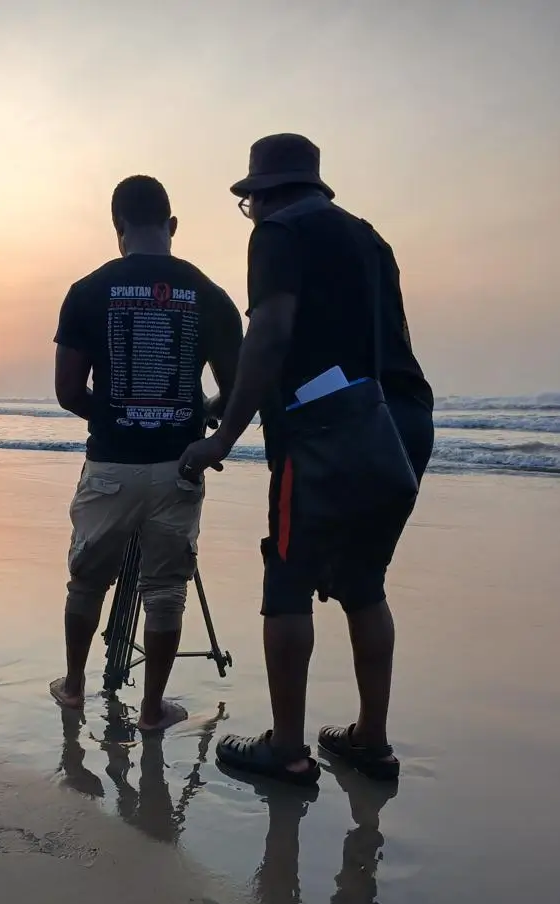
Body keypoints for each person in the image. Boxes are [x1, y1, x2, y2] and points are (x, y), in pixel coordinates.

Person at [178, 134, 434, 783]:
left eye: (249, 202)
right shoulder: (369, 238)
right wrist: (228, 399)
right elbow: (351, 344)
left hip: (325, 432)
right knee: (364, 583)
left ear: (261, 194)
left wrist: (223, 437)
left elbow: (271, 333)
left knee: (288, 580)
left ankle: (286, 750)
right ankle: (369, 741)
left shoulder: (278, 233)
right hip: (400, 425)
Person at [51, 175, 243, 731]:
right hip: (178, 466)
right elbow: (236, 391)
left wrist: (115, 416)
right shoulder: (209, 294)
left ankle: (74, 686)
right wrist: (202, 414)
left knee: (87, 581)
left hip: (111, 464)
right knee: (166, 591)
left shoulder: (87, 291)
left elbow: (68, 392)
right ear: (172, 226)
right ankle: (153, 707)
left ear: (118, 230)